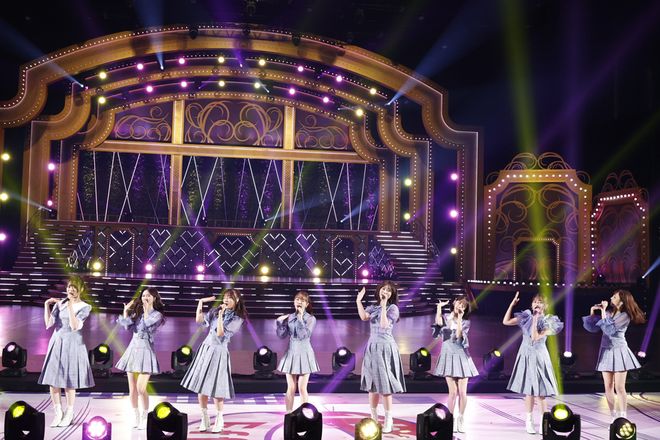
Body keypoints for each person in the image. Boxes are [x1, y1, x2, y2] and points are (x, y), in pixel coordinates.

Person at [181, 289, 247, 433]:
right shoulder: (215, 311)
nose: (226, 300)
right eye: (225, 297)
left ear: (237, 301)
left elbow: (220, 333)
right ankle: (204, 419)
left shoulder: (238, 319)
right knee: (201, 386)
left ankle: (219, 419)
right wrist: (200, 303)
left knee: (217, 389)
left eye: (230, 298)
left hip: (219, 352)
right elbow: (199, 321)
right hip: (206, 349)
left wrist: (221, 316)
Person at [503, 291, 563, 435]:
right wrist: (512, 305)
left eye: (540, 302)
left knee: (541, 393)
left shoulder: (549, 321)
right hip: (525, 355)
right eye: (535, 301)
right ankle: (529, 421)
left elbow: (535, 337)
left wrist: (536, 318)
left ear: (546, 305)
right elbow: (505, 322)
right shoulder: (526, 317)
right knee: (528, 392)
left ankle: (544, 422)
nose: (537, 304)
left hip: (539, 356)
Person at [38, 276, 95, 427]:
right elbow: (49, 324)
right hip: (57, 341)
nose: (71, 289)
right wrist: (47, 306)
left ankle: (69, 413)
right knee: (53, 379)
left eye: (74, 287)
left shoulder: (85, 307)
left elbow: (75, 326)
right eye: (69, 287)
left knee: (69, 380)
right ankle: (58, 413)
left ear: (81, 289)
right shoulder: (60, 304)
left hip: (73, 343)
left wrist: (69, 306)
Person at [582, 289, 646, 421]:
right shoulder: (609, 313)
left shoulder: (625, 315)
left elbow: (609, 330)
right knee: (608, 386)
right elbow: (592, 328)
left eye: (614, 297)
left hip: (619, 351)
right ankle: (613, 416)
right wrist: (593, 311)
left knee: (620, 387)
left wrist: (603, 312)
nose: (611, 298)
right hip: (606, 351)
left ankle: (623, 416)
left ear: (622, 301)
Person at [356, 281, 406, 433]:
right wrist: (358, 300)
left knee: (385, 386)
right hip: (372, 347)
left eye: (389, 290)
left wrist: (384, 306)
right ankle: (374, 418)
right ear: (379, 291)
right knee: (372, 386)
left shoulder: (393, 308)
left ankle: (388, 420)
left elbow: (384, 325)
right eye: (384, 289)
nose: (386, 292)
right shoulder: (373, 307)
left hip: (386, 347)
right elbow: (364, 317)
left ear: (392, 294)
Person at [115, 287, 165, 430]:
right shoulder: (138, 313)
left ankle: (145, 416)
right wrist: (126, 311)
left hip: (146, 351)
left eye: (148, 296)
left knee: (141, 388)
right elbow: (127, 327)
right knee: (132, 389)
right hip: (133, 350)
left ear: (154, 298)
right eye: (143, 296)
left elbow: (147, 324)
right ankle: (136, 416)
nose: (145, 298)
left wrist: (146, 310)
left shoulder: (157, 315)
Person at [432, 296, 479, 433]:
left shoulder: (466, 322)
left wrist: (459, 319)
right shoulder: (446, 317)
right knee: (452, 392)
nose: (460, 306)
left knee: (462, 392)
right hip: (448, 356)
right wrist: (439, 308)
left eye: (463, 306)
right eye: (459, 303)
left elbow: (459, 336)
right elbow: (438, 324)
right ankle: (449, 420)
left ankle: (461, 418)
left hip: (461, 357)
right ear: (454, 303)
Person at [276, 290, 319, 413]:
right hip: (291, 352)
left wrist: (300, 319)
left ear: (307, 304)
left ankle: (303, 413)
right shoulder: (289, 317)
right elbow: (282, 335)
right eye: (297, 299)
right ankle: (289, 413)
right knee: (290, 387)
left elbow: (304, 335)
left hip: (305, 353)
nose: (299, 302)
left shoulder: (311, 318)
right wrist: (280, 323)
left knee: (302, 388)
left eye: (302, 300)